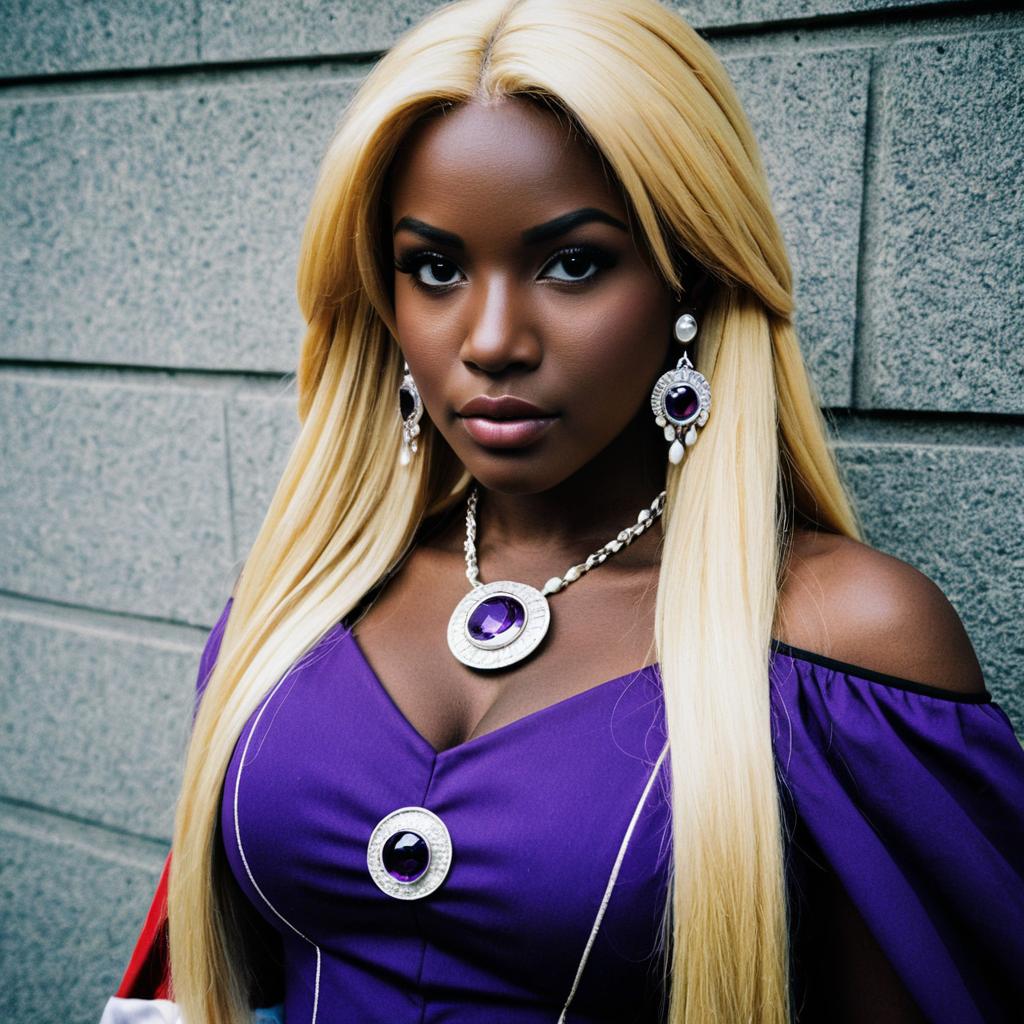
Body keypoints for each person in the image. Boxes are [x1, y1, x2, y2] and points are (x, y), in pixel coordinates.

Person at [102, 0, 1024, 1021]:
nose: (492, 338)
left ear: (692, 277)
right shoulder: (299, 605)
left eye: (573, 262)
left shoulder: (842, 646)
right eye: (436, 268)